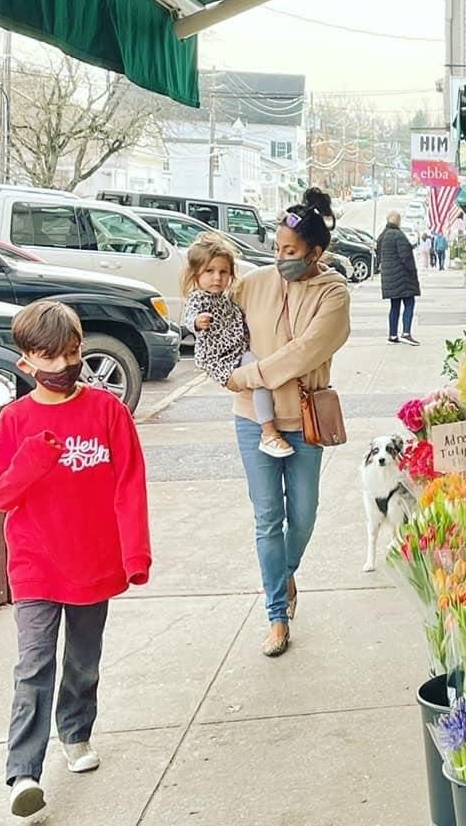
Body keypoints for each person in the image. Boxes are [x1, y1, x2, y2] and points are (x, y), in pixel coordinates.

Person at [0, 301, 150, 819]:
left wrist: (134, 552)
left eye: (71, 353)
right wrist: (34, 456)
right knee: (34, 665)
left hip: (93, 561)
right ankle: (23, 773)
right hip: (35, 562)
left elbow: (130, 484)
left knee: (83, 661)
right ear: (26, 359)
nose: (62, 366)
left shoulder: (108, 411)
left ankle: (75, 732)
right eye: (48, 357)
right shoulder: (15, 419)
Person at [226, 187, 351, 658]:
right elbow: (217, 310)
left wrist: (247, 375)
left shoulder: (333, 293)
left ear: (316, 253)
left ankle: (284, 571)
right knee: (267, 520)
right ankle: (277, 616)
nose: (281, 259)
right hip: (252, 420)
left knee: (302, 516)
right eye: (277, 249)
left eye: (291, 252)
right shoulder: (255, 282)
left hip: (304, 419)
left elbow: (306, 352)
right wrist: (215, 355)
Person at [182, 232, 292, 458]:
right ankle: (268, 432)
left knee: (259, 375)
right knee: (259, 377)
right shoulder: (199, 298)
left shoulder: (226, 296)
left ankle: (269, 430)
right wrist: (197, 322)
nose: (217, 278)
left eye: (223, 272)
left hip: (237, 351)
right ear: (195, 275)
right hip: (221, 358)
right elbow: (189, 317)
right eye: (209, 271)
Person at [377, 210, 421, 346]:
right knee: (409, 303)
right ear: (398, 221)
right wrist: (413, 272)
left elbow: (379, 255)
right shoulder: (398, 235)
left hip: (389, 278)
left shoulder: (382, 236)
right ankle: (406, 333)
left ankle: (392, 334)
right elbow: (406, 257)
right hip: (403, 278)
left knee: (394, 306)